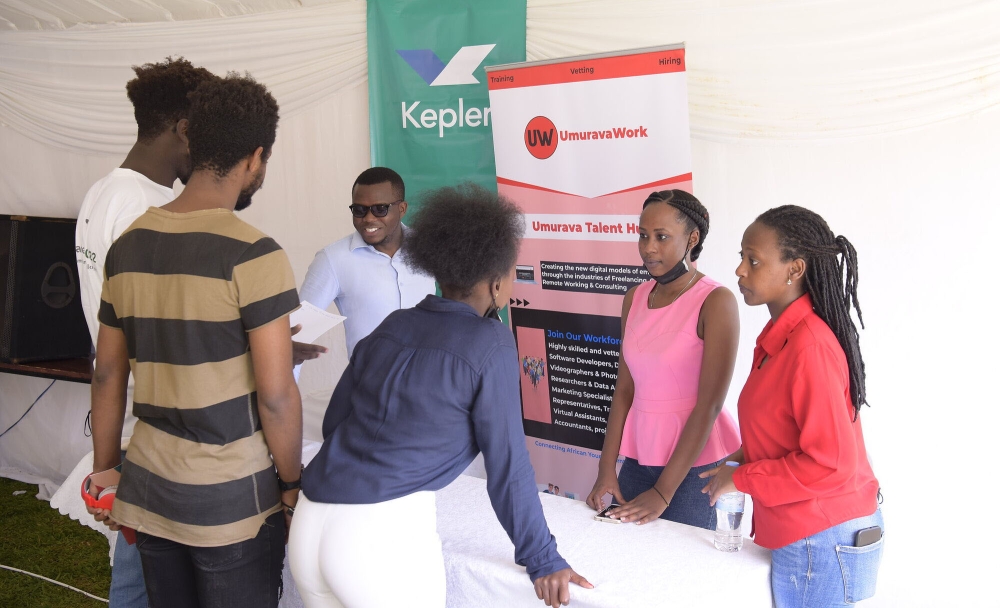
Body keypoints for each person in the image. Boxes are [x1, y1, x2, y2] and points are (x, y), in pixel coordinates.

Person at [290, 184, 592, 608]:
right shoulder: (491, 343)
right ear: (496, 282)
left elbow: (334, 424)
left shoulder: (393, 324)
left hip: (309, 525)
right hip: (378, 535)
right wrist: (542, 558)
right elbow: (508, 465)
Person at [87, 74, 302, 608]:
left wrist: (105, 468)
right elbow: (277, 397)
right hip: (232, 504)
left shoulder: (129, 244)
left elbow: (108, 373)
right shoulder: (255, 253)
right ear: (256, 158)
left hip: (149, 491)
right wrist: (292, 484)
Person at [75, 56, 217, 608]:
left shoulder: (103, 192)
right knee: (150, 573)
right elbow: (167, 327)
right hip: (158, 418)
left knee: (139, 566)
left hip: (125, 401)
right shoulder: (151, 206)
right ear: (183, 129)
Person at [702, 205, 883, 608]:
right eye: (741, 257)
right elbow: (787, 429)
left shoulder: (809, 346)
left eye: (753, 261)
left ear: (794, 269)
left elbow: (830, 465)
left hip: (824, 538)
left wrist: (745, 478)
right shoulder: (781, 337)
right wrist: (743, 457)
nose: (739, 271)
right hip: (815, 534)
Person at [586, 190, 741, 529]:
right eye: (643, 235)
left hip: (695, 468)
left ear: (692, 239)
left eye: (661, 237)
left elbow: (710, 405)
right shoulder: (634, 298)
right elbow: (624, 390)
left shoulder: (716, 301)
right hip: (639, 460)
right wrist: (606, 468)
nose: (648, 248)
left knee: (682, 560)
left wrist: (662, 492)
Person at [296, 167, 436, 363]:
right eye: (359, 210)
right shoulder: (333, 259)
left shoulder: (428, 247)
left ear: (402, 209)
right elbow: (296, 336)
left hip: (431, 378)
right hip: (371, 381)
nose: (369, 218)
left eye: (380, 209)